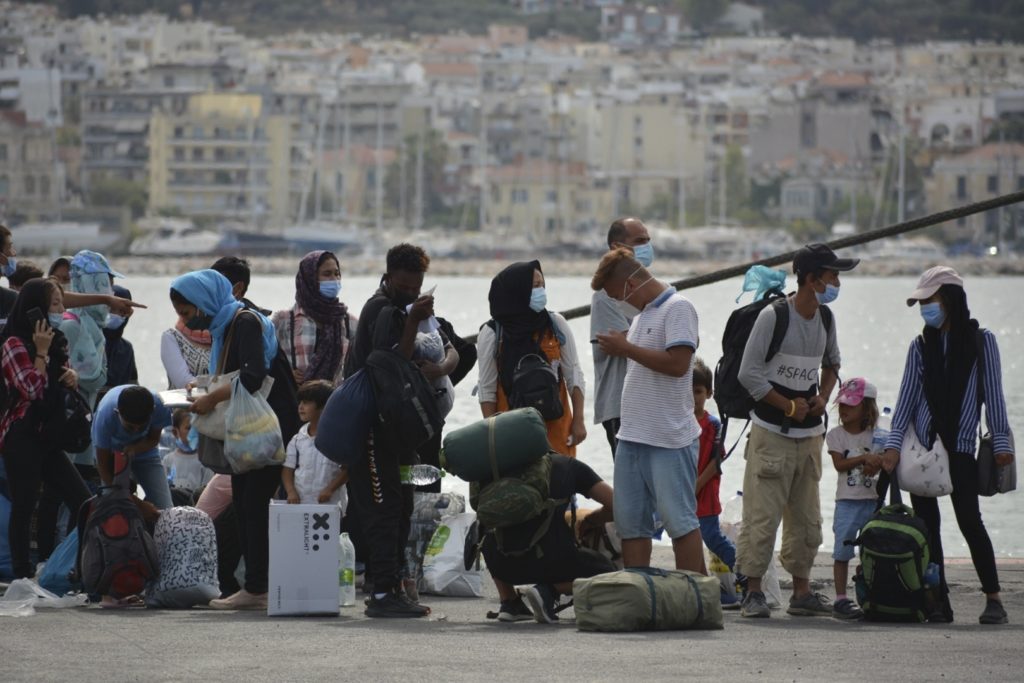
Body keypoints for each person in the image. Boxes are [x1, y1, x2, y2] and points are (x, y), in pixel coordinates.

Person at [881, 266, 1014, 625]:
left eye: (930, 300)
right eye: (922, 302)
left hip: (961, 447)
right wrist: (893, 447)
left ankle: (994, 599)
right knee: (927, 527)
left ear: (950, 300)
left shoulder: (981, 341)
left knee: (971, 521)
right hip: (923, 448)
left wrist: (1002, 443)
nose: (925, 308)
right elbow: (906, 399)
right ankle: (938, 600)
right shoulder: (920, 346)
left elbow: (994, 397)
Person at [734, 243, 857, 618]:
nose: (836, 281)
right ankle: (753, 591)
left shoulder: (826, 319)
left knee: (807, 518)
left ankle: (801, 592)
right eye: (832, 275)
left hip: (810, 436)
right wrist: (786, 405)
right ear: (811, 278)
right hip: (771, 432)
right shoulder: (774, 316)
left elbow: (833, 362)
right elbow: (748, 374)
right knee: (762, 515)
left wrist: (822, 395)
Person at [171, 269, 300, 610]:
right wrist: (203, 386)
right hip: (252, 428)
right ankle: (255, 586)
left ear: (203, 301)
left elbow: (253, 376)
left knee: (253, 504)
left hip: (268, 428)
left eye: (187, 312)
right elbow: (233, 374)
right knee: (245, 503)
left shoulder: (244, 322)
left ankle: (257, 588)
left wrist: (211, 399)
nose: (187, 320)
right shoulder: (224, 327)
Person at [591, 248, 703, 573]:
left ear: (631, 284)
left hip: (668, 438)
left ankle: (693, 594)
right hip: (632, 437)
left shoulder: (678, 308)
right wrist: (628, 343)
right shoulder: (641, 317)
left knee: (679, 520)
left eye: (616, 295)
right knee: (631, 522)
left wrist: (626, 348)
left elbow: (680, 364)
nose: (618, 302)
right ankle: (639, 591)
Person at [342, 243, 439, 618]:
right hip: (372, 428)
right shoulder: (382, 309)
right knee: (383, 508)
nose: (412, 292)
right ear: (389, 276)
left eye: (417, 286)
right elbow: (388, 363)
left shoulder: (396, 307)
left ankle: (394, 586)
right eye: (405, 285)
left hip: (391, 430)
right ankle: (382, 593)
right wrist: (413, 319)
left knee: (399, 506)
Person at [0, 278, 90, 577]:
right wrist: (40, 352)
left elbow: (55, 383)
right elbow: (31, 389)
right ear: (34, 309)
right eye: (55, 304)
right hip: (23, 435)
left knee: (82, 501)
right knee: (24, 506)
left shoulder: (56, 341)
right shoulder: (12, 343)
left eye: (62, 303)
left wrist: (71, 375)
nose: (61, 310)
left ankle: (70, 567)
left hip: (48, 435)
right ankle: (22, 575)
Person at [483, 454, 616, 624]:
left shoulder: (492, 465)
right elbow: (617, 505)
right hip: (552, 563)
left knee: (485, 525)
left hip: (502, 564)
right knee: (610, 573)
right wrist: (590, 521)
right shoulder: (568, 465)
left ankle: (509, 601)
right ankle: (549, 592)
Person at [478, 261, 586, 456]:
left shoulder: (555, 324)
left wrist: (578, 420)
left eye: (542, 285)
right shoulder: (493, 333)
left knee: (561, 482)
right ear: (517, 290)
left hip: (557, 429)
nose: (541, 291)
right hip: (510, 431)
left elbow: (574, 374)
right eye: (535, 286)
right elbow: (486, 388)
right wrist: (491, 434)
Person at [591, 217, 652, 457]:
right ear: (617, 247)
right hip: (621, 407)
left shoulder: (652, 289)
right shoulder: (607, 294)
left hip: (650, 404)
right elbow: (629, 344)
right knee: (633, 484)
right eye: (639, 241)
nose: (646, 246)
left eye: (648, 240)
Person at [827, 377, 883, 621]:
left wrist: (876, 461)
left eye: (851, 405)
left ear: (867, 408)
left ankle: (870, 593)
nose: (844, 409)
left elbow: (885, 462)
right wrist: (864, 460)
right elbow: (839, 464)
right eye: (842, 404)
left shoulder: (878, 436)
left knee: (871, 552)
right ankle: (840, 598)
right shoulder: (836, 436)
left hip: (872, 501)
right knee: (842, 550)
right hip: (847, 501)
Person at [61, 250, 121, 469]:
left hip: (85, 420)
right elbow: (89, 377)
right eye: (106, 284)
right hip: (68, 423)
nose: (111, 292)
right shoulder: (72, 325)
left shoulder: (93, 325)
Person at [692, 357, 740, 608]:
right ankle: (706, 587)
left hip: (705, 490)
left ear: (709, 393)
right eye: (689, 391)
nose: (693, 397)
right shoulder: (680, 420)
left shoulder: (712, 424)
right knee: (687, 539)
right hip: (684, 491)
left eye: (698, 391)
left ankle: (744, 575)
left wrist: (698, 484)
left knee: (712, 537)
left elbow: (717, 460)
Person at [272, 250, 356, 387]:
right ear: (309, 278)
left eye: (337, 273)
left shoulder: (348, 322)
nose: (334, 280)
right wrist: (285, 374)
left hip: (334, 403)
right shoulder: (284, 321)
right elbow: (264, 362)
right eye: (327, 274)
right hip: (295, 403)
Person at [93, 385, 175, 510]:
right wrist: (139, 504)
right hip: (111, 456)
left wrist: (135, 448)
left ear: (152, 411)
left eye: (142, 427)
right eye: (129, 427)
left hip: (145, 452)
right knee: (114, 506)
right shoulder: (105, 416)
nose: (135, 431)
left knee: (165, 508)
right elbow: (104, 471)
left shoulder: (160, 406)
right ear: (117, 413)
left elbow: (153, 439)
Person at [282, 380, 348, 507]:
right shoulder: (297, 440)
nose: (300, 407)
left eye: (306, 403)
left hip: (332, 505)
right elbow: (287, 469)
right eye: (300, 402)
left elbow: (347, 469)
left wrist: (330, 489)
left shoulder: (338, 438)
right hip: (301, 503)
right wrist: (291, 491)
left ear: (324, 407)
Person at [162, 408, 213, 496]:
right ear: (175, 432)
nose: (194, 432)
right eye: (188, 428)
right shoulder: (168, 460)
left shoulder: (205, 461)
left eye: (196, 428)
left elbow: (207, 492)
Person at [103, 284, 139, 388]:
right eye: (111, 309)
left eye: (123, 312)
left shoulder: (126, 348)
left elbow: (133, 386)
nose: (116, 315)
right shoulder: (88, 341)